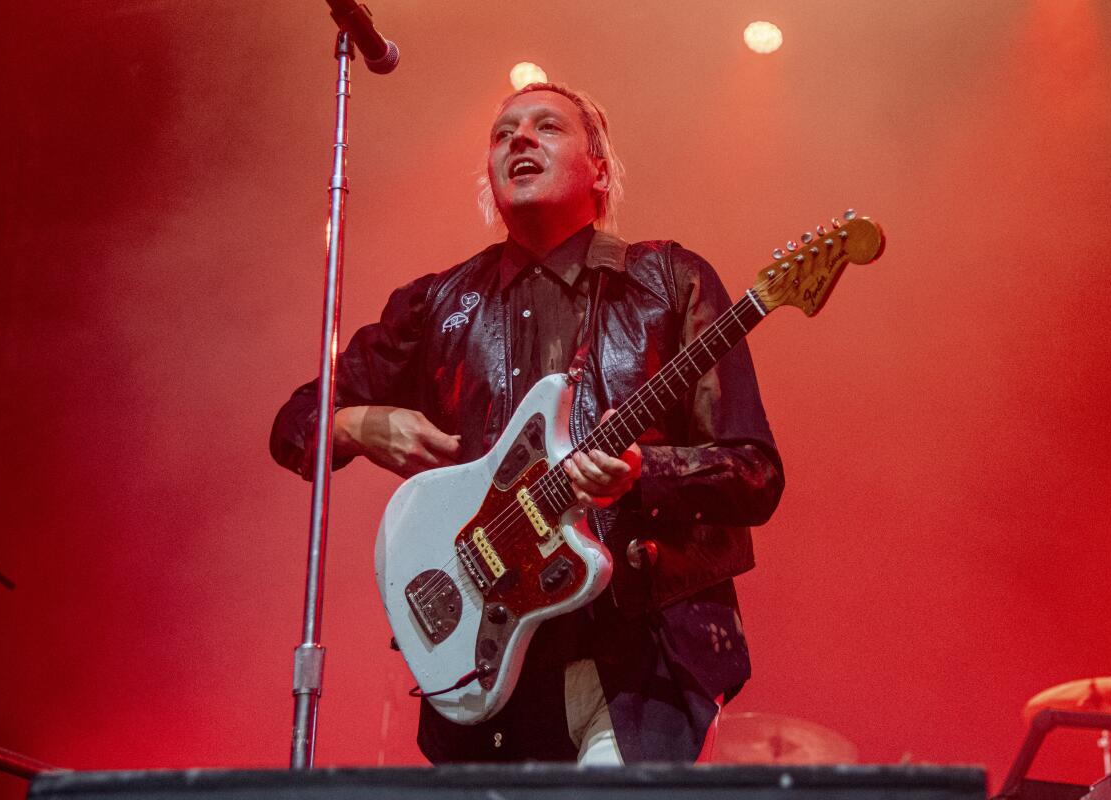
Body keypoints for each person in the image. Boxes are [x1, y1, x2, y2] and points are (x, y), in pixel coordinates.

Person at [270, 83, 783, 764]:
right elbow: (294, 422)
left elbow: (755, 471)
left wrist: (641, 474)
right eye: (503, 132)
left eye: (547, 127)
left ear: (599, 170)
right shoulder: (437, 304)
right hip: (485, 661)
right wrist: (356, 425)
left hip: (637, 654)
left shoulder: (670, 281)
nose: (519, 139)